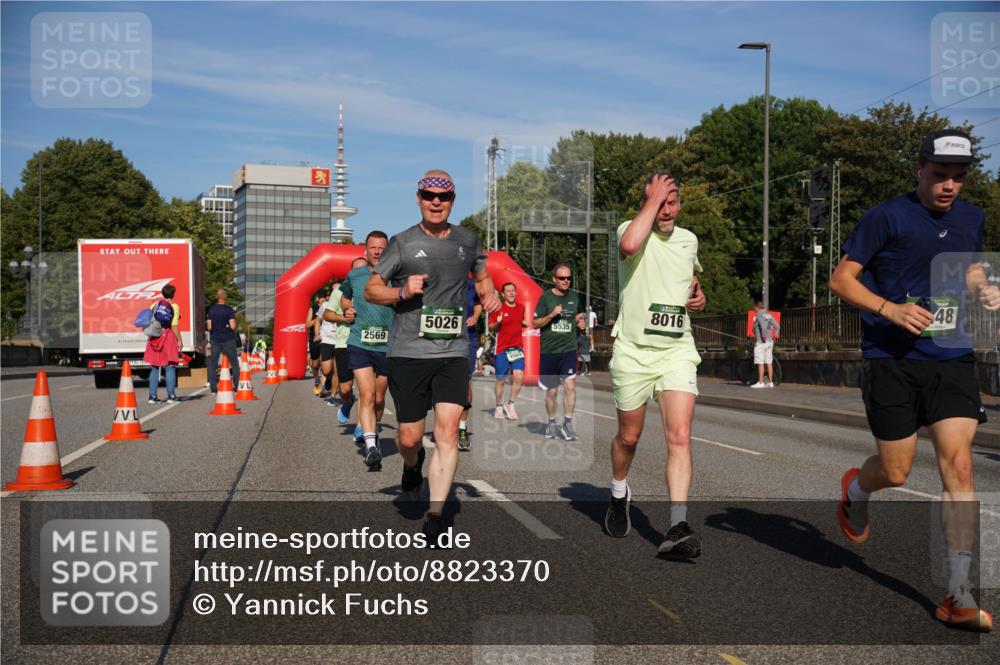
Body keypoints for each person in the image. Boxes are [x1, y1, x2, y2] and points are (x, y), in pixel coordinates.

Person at [830, 129, 999, 632]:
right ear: (919, 170)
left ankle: (958, 593)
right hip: (891, 359)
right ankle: (857, 490)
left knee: (960, 466)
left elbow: (968, 269)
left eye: (958, 178)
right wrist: (890, 309)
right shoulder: (886, 217)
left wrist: (986, 289)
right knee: (897, 471)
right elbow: (841, 279)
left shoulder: (971, 218)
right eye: (940, 175)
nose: (949, 186)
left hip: (950, 354)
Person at [365, 170, 500, 543]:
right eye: (428, 196)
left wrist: (489, 294)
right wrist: (401, 292)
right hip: (408, 352)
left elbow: (482, 277)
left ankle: (436, 516)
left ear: (452, 201)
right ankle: (413, 467)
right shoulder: (402, 243)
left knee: (447, 431)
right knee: (409, 438)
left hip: (453, 351)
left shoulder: (468, 241)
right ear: (419, 199)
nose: (435, 202)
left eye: (443, 197)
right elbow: (373, 289)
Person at [602, 173, 707, 559]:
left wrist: (699, 297)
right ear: (646, 204)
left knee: (679, 437)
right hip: (633, 352)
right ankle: (618, 492)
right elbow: (630, 245)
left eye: (672, 202)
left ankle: (678, 525)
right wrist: (653, 200)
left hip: (676, 350)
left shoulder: (689, 240)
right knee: (629, 438)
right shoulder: (629, 230)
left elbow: (691, 280)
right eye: (658, 202)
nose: (666, 210)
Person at [341, 232, 393, 470]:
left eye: (382, 248)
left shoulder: (396, 275)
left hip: (387, 344)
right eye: (373, 247)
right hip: (360, 342)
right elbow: (345, 298)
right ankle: (371, 446)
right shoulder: (355, 275)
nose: (377, 251)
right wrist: (348, 309)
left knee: (379, 399)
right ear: (366, 250)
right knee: (367, 395)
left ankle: (372, 430)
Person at [533, 264, 587, 440]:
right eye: (562, 278)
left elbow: (578, 317)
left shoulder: (574, 297)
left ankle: (568, 423)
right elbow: (535, 323)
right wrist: (551, 315)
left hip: (569, 350)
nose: (565, 281)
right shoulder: (545, 298)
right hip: (549, 351)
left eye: (568, 278)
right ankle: (551, 423)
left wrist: (581, 324)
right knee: (552, 392)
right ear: (554, 279)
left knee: (570, 386)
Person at [325, 262, 363, 417]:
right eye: (357, 269)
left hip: (368, 344)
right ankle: (348, 401)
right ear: (350, 272)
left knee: (367, 391)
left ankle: (363, 426)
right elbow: (327, 314)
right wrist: (343, 317)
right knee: (345, 389)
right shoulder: (340, 291)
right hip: (344, 343)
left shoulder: (375, 289)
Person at [489, 282, 528, 419]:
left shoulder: (521, 307)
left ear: (516, 293)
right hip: (502, 349)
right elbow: (491, 327)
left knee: (519, 376)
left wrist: (523, 323)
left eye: (513, 291)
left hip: (517, 348)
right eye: (508, 291)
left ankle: (511, 403)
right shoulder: (497, 308)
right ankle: (499, 405)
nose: (511, 293)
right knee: (500, 380)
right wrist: (497, 322)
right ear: (503, 294)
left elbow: (519, 321)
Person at [144, 284, 182, 404]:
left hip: (154, 337)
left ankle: (152, 396)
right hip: (168, 336)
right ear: (173, 294)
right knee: (170, 366)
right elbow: (174, 326)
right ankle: (171, 396)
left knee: (155, 366)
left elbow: (149, 321)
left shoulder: (154, 305)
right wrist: (179, 340)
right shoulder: (174, 306)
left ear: (162, 293)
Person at [458, 278, 482, 451]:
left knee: (465, 383)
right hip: (442, 341)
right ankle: (444, 424)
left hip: (467, 339)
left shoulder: (470, 284)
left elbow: (478, 304)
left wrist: (475, 316)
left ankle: (462, 428)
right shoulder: (438, 278)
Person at [206, 289, 240, 394]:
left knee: (213, 364)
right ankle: (236, 387)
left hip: (215, 339)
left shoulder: (211, 310)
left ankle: (213, 389)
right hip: (228, 339)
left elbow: (209, 327)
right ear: (225, 297)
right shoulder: (229, 310)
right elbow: (233, 326)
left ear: (217, 297)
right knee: (234, 363)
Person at [750, 300, 780, 388]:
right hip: (770, 341)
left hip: (761, 342)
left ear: (757, 307)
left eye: (754, 308)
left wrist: (763, 336)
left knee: (760, 362)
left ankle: (761, 382)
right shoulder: (768, 314)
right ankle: (770, 382)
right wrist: (775, 334)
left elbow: (763, 326)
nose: (754, 310)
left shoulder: (759, 314)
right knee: (769, 362)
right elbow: (777, 326)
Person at [317, 285, 340, 400]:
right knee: (327, 370)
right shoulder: (325, 305)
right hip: (327, 340)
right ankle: (325, 378)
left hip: (341, 341)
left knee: (337, 370)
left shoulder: (346, 304)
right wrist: (317, 334)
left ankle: (333, 395)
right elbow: (318, 320)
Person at [306, 295, 325, 395]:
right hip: (314, 338)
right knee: (315, 365)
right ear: (317, 299)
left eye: (326, 297)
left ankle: (324, 386)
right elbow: (307, 324)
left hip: (326, 338)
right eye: (322, 297)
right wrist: (318, 318)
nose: (324, 299)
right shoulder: (313, 308)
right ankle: (317, 380)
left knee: (325, 362)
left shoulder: (330, 307)